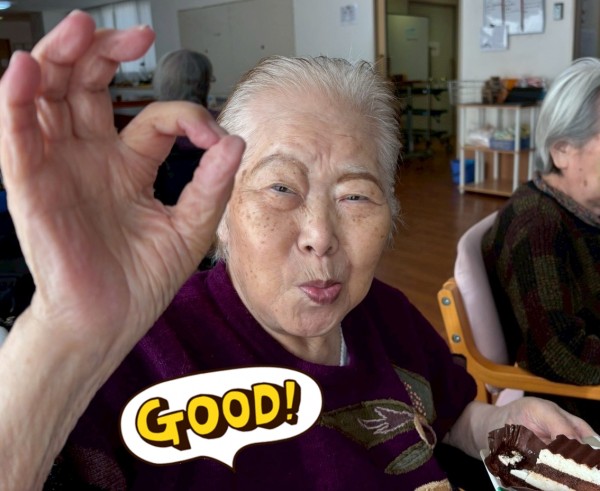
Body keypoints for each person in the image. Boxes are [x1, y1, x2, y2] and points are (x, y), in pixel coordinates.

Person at [0, 11, 595, 491]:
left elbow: (454, 417)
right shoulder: (140, 356)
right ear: (220, 210)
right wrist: (58, 341)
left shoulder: (385, 315)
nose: (320, 234)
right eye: (280, 188)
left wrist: (498, 424)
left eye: (356, 196)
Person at [482, 57, 600, 433]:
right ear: (562, 150)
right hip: (577, 406)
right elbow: (561, 354)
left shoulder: (585, 206)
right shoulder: (538, 226)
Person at [152, 49, 215, 207]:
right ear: (202, 85)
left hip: (164, 205)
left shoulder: (149, 124)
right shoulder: (220, 121)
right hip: (212, 204)